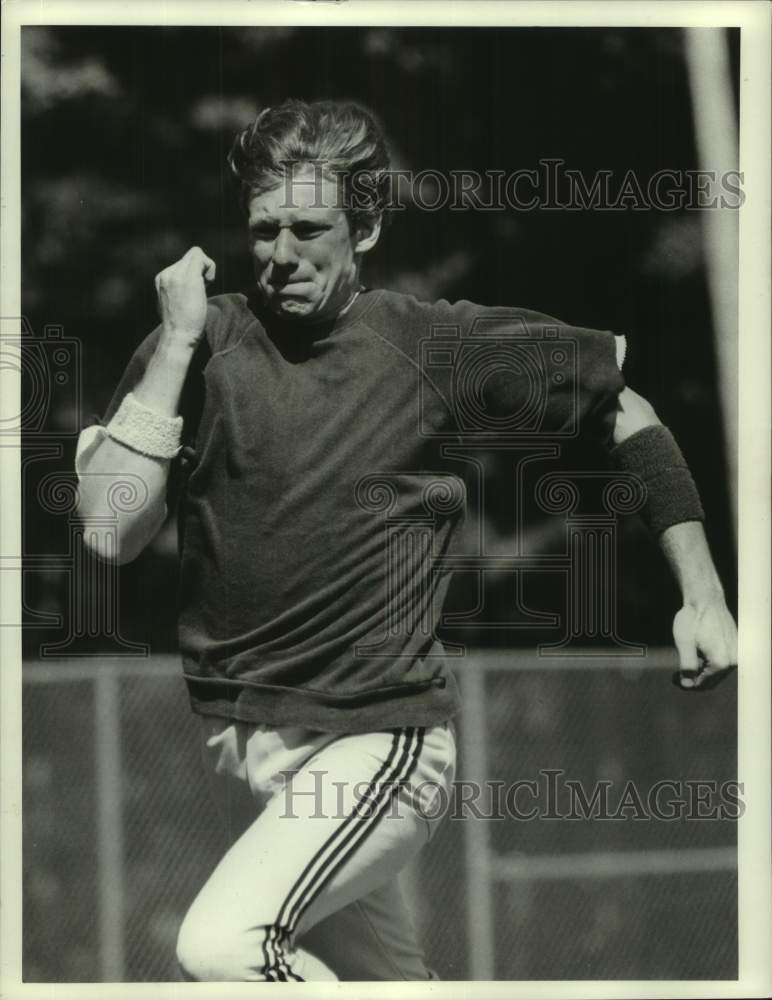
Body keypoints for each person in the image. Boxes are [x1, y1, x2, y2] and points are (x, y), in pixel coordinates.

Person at [74, 99, 737, 982]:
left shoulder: (435, 346)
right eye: (263, 229)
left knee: (223, 948)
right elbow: (111, 528)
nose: (281, 254)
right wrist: (177, 344)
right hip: (252, 754)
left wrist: (703, 595)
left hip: (379, 742)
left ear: (368, 226)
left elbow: (627, 411)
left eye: (309, 227)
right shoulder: (202, 345)